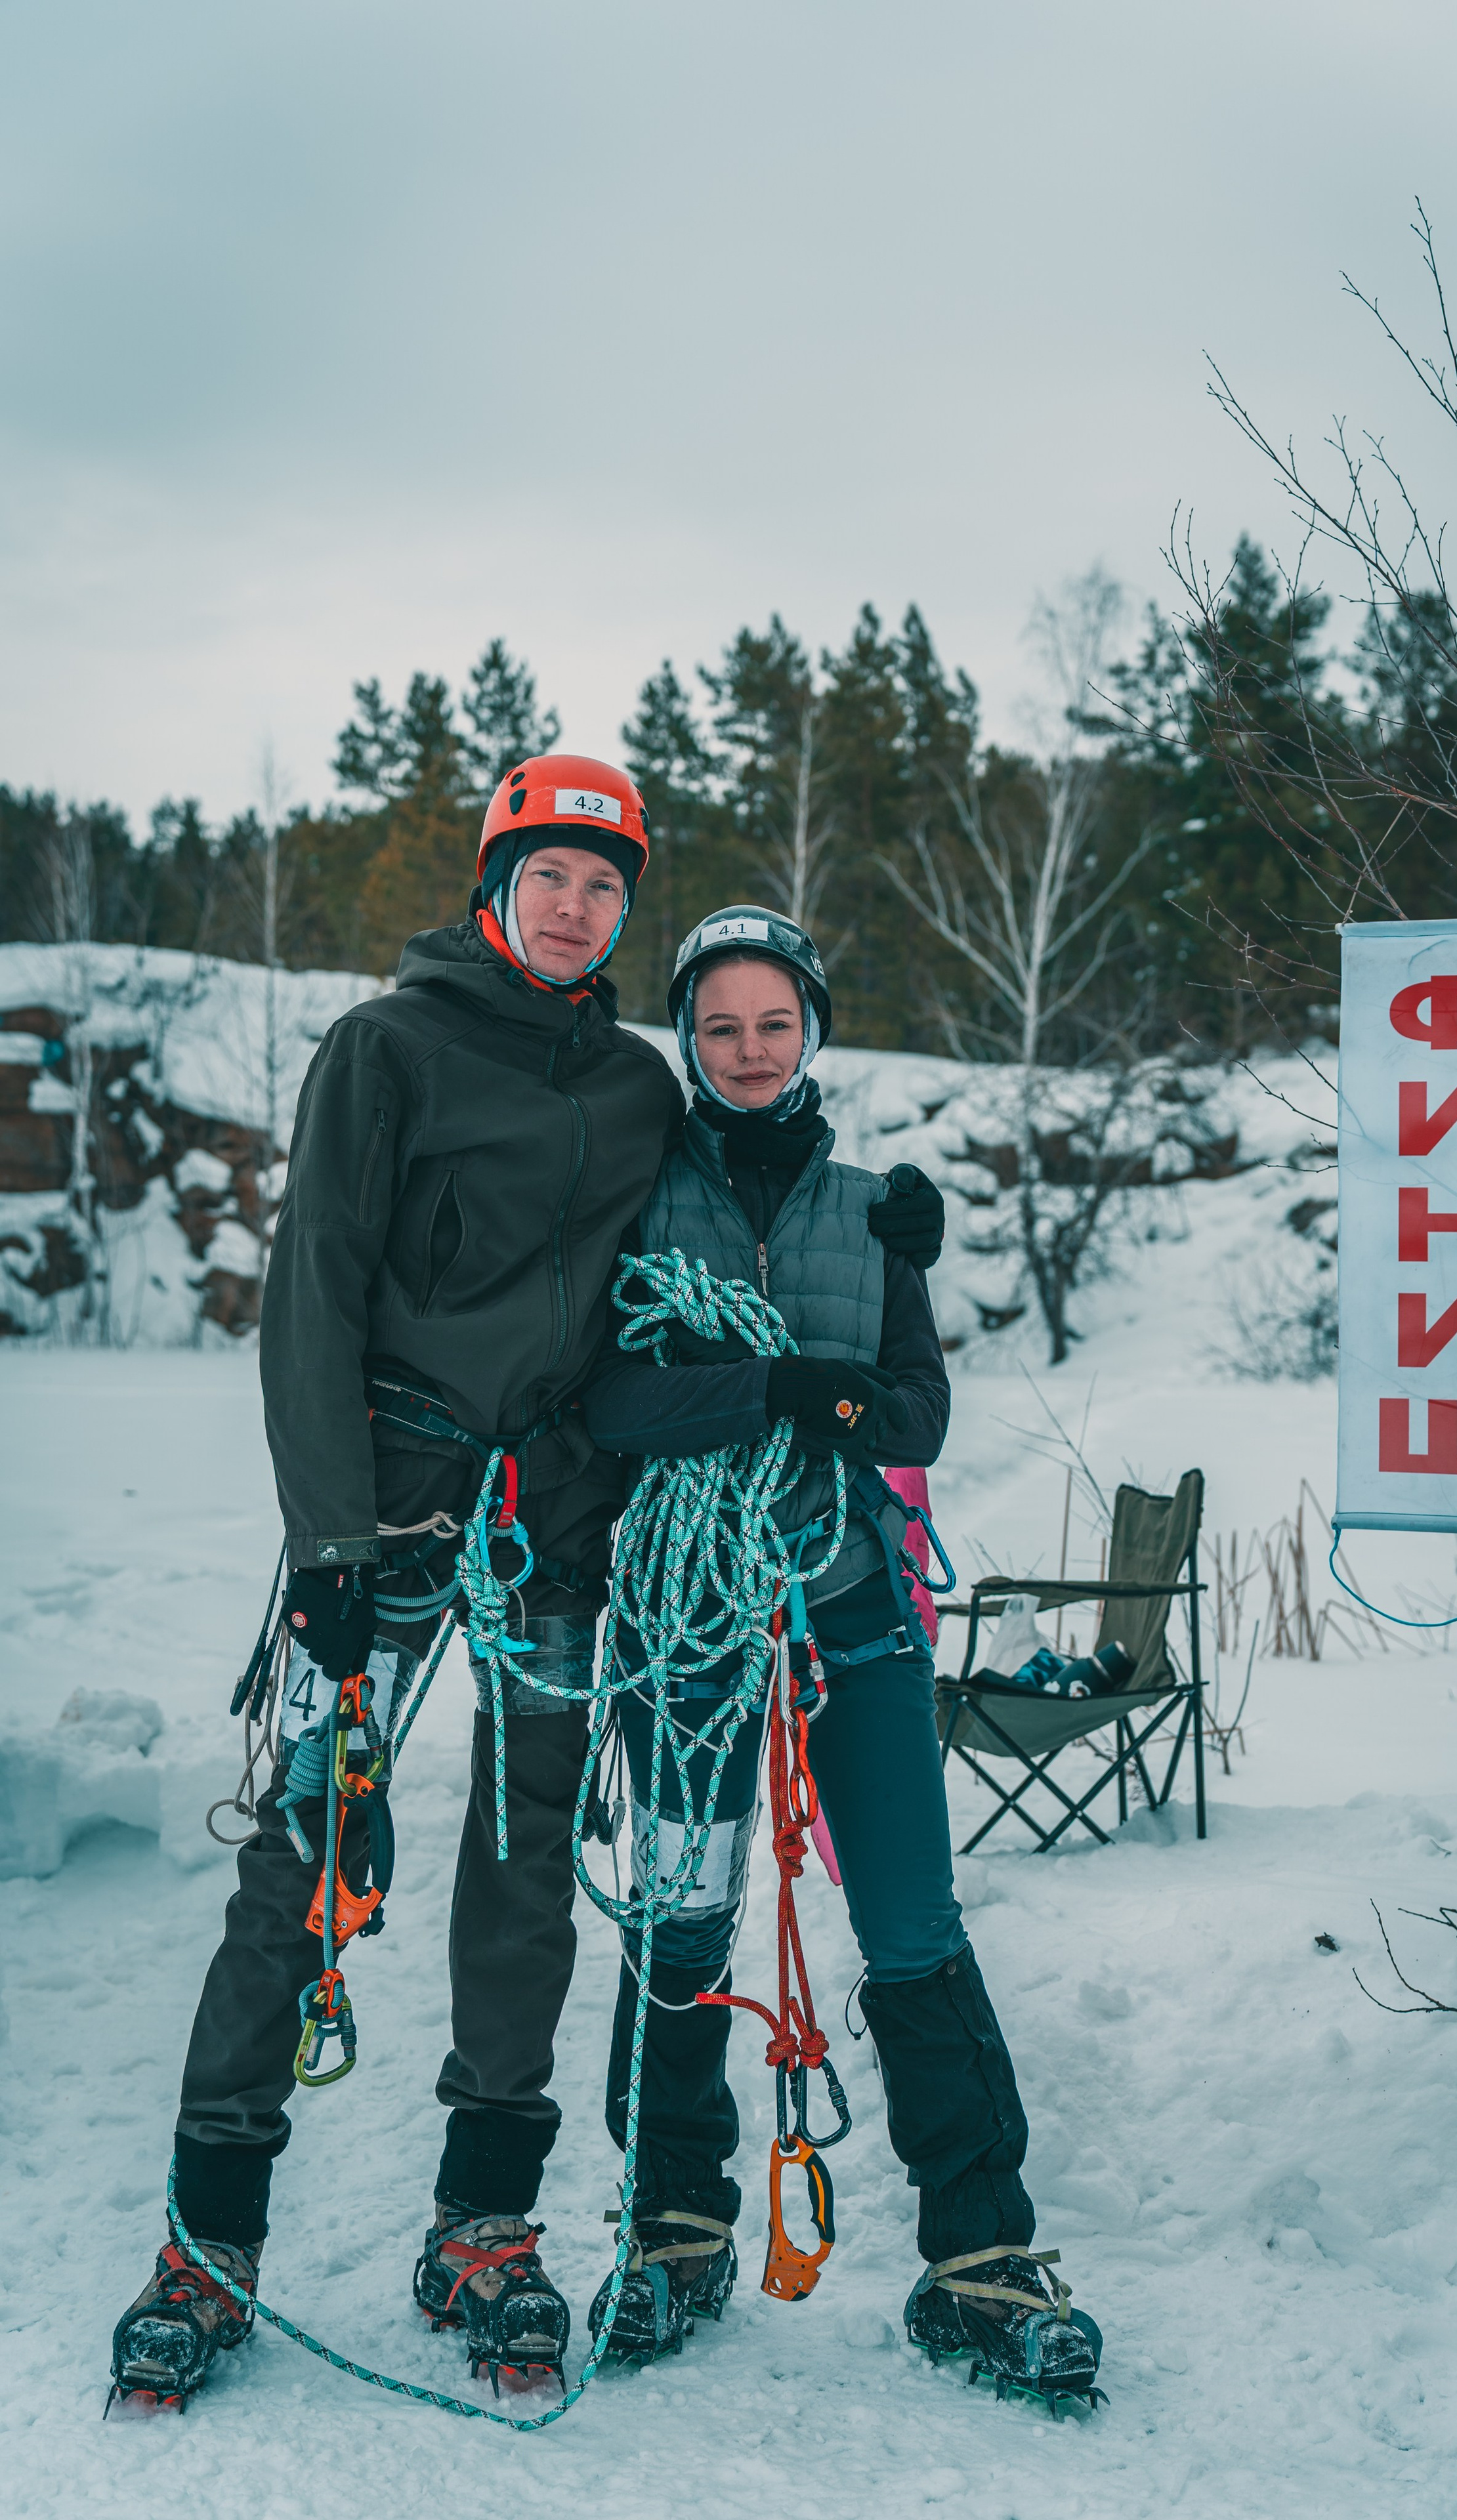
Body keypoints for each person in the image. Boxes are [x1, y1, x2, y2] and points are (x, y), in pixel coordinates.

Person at [106, 764, 942, 2410]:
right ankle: (206, 2244)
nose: (577, 908)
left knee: (527, 1859)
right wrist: (331, 1545)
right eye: (551, 874)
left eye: (606, 887)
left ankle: (483, 2224)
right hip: (395, 1509)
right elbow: (313, 1299)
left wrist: (878, 1208)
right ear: (495, 882)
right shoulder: (385, 1050)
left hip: (561, 1515)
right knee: (305, 1852)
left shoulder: (636, 1085)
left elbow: (732, 1165)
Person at [578, 904, 1103, 2410]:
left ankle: (980, 2263)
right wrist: (772, 1387)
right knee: (679, 1917)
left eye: (774, 1023)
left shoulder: (877, 1208)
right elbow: (607, 1399)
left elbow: (920, 1420)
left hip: (852, 1610)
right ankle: (672, 2229)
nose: (749, 1051)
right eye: (721, 1026)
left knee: (913, 1926)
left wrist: (842, 1401)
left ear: (810, 1029)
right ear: (688, 1036)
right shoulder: (638, 1193)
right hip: (689, 1622)